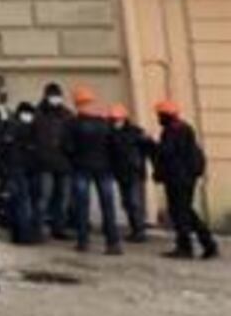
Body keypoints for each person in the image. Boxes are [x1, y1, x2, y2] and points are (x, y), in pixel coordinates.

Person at [152, 99, 219, 260]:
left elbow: (168, 154)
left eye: (159, 115)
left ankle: (187, 247)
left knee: (181, 212)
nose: (158, 118)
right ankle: (207, 243)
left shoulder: (172, 131)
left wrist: (151, 146)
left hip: (178, 178)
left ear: (165, 115)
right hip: (185, 177)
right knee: (186, 211)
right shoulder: (184, 128)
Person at [63, 85, 122, 254]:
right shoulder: (104, 123)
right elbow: (115, 146)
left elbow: (66, 146)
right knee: (108, 206)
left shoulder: (72, 124)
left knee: (82, 206)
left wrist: (73, 159)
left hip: (81, 167)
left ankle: (83, 241)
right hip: (104, 168)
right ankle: (113, 242)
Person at [33, 82, 74, 239]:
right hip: (44, 163)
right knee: (44, 196)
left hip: (64, 163)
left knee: (63, 198)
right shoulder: (38, 114)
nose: (55, 99)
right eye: (52, 96)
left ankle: (59, 227)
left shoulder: (67, 115)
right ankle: (39, 228)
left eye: (57, 96)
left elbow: (73, 137)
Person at [108, 104, 154, 243]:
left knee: (135, 202)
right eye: (113, 119)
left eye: (116, 119)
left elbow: (149, 148)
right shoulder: (111, 133)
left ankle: (139, 231)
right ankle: (135, 230)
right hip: (122, 172)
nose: (114, 121)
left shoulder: (135, 132)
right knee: (127, 203)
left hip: (134, 172)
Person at [2, 102, 44, 244]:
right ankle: (25, 234)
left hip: (26, 167)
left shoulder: (21, 126)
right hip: (21, 168)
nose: (29, 116)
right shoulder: (15, 126)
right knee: (24, 201)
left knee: (23, 201)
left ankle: (22, 234)